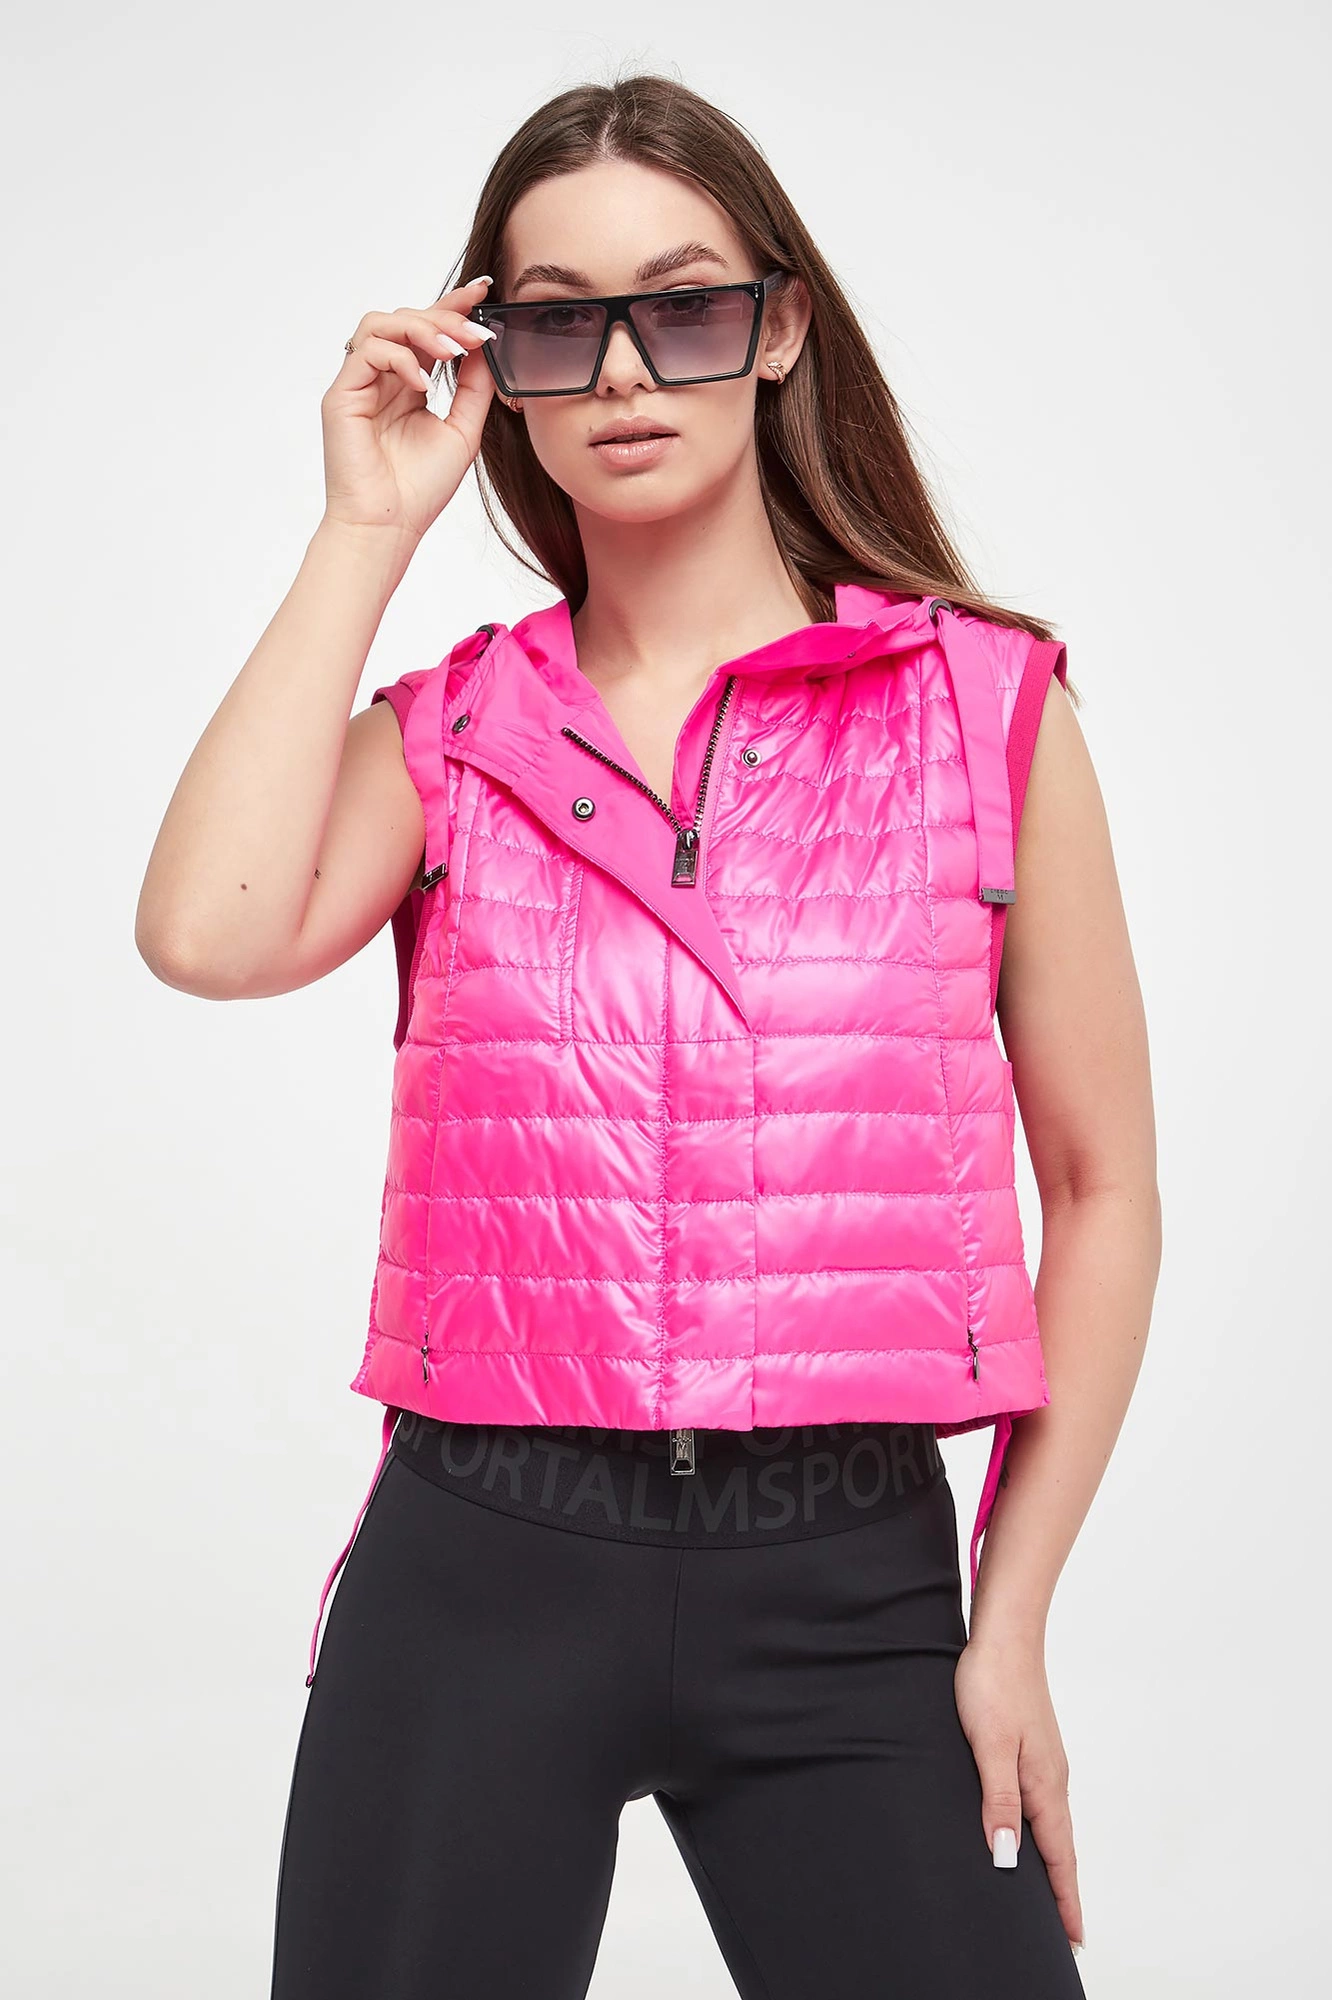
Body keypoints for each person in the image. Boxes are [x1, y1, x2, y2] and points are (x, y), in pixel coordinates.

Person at [136, 70, 1160, 2000]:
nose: (622, 368)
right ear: (497, 368)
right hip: (479, 1566)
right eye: (557, 323)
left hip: (852, 1582)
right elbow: (206, 931)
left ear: (778, 328)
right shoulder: (451, 734)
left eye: (683, 306)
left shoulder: (987, 710)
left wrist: (1010, 1613)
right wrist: (365, 526)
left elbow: (1103, 1189)